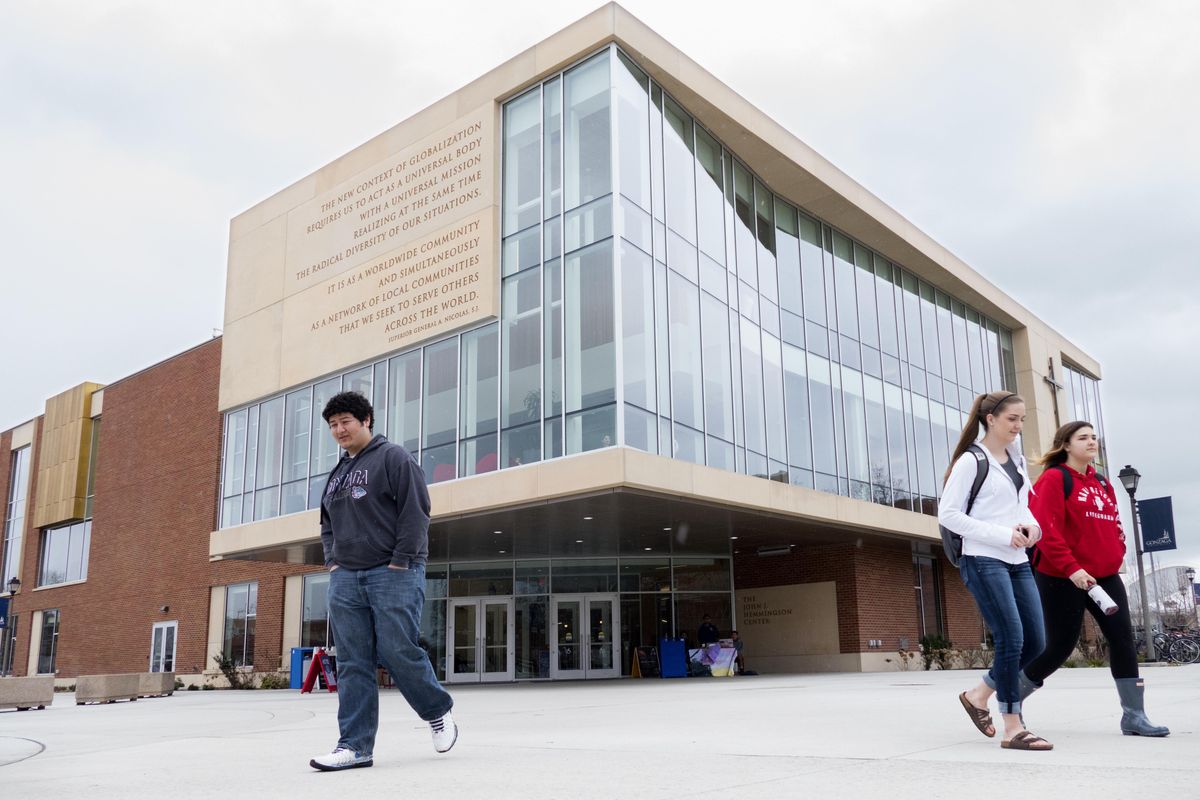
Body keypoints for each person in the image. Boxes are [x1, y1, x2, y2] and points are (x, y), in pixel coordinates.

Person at [309, 391, 457, 772]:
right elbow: (327, 523)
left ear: (366, 421)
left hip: (392, 572)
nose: (339, 430)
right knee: (353, 661)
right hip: (347, 576)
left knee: (397, 649)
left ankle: (437, 711)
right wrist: (333, 562)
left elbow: (416, 511)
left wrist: (401, 561)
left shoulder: (394, 458)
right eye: (332, 425)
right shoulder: (339, 472)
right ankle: (354, 746)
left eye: (346, 422)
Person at [1020, 421, 1169, 737]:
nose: (1091, 442)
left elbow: (1114, 524)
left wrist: (1117, 552)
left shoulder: (1102, 482)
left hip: (1104, 576)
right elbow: (1046, 530)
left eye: (1094, 437)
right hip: (1062, 575)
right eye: (1083, 437)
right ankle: (1010, 699)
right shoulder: (1053, 479)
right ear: (1066, 444)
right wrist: (1073, 568)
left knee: (1123, 639)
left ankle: (1134, 716)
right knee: (1060, 647)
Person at [939, 391, 1052, 751]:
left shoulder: (1015, 460)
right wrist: (1003, 534)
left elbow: (1023, 508)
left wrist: (1032, 529)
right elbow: (949, 514)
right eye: (1012, 419)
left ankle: (977, 695)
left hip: (1017, 561)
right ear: (990, 419)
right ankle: (1013, 727)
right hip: (983, 558)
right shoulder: (972, 461)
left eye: (1022, 420)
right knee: (1011, 638)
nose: (1019, 426)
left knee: (1036, 642)